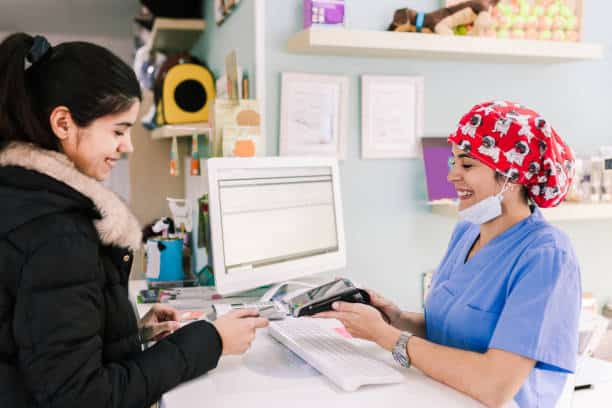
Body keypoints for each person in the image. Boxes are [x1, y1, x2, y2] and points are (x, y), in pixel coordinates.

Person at [0, 33, 268, 407]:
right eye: (119, 131)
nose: (127, 147)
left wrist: (128, 332)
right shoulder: (56, 233)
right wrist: (212, 341)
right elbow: (83, 397)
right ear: (63, 123)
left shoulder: (26, 201)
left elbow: (39, 347)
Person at [316, 101, 580, 408]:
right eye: (453, 162)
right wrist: (395, 318)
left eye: (467, 165)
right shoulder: (467, 231)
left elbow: (495, 386)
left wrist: (386, 337)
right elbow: (454, 331)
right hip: (442, 395)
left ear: (512, 177)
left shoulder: (546, 256)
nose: (453, 175)